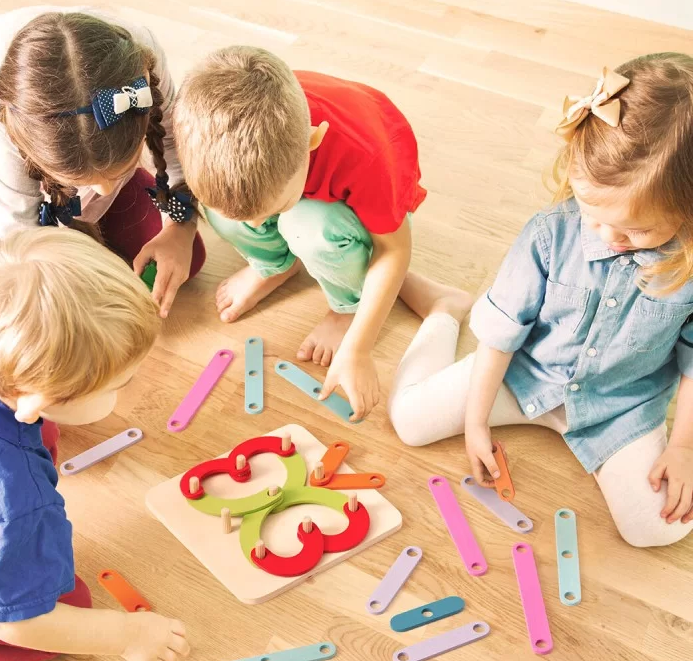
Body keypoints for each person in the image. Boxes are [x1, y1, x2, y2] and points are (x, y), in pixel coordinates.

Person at [388, 54, 693, 548]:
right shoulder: (550, 235)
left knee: (659, 527)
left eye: (636, 230)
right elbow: (500, 337)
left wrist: (682, 449)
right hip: (523, 373)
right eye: (594, 215)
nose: (610, 237)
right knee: (408, 422)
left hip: (620, 406)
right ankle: (443, 310)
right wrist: (475, 421)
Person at [0, 229, 189, 661]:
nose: (130, 389)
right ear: (34, 400)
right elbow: (16, 622)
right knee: (70, 612)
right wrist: (127, 635)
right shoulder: (15, 493)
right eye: (120, 384)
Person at [173, 46, 444, 421]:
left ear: (312, 143)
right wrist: (244, 215)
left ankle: (346, 307)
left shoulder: (368, 158)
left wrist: (358, 347)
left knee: (307, 228)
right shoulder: (209, 136)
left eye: (273, 210)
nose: (258, 226)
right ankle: (275, 265)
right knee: (231, 216)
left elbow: (394, 250)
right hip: (294, 171)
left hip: (364, 182)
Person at [0, 6, 204, 317]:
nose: (103, 190)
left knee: (187, 259)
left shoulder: (142, 62)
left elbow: (173, 145)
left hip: (64, 154)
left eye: (121, 170)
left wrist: (180, 229)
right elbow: (17, 233)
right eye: (86, 182)